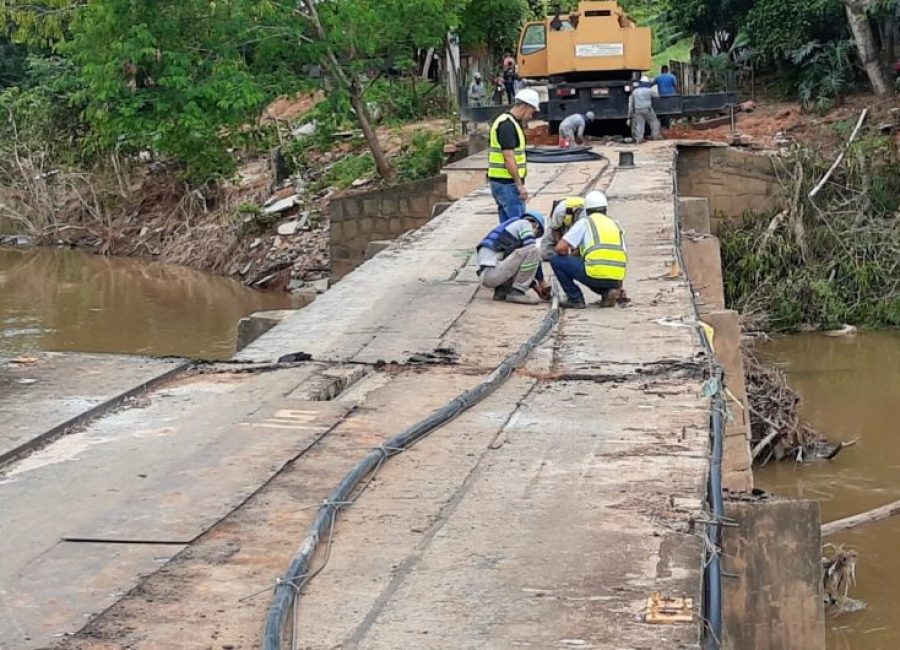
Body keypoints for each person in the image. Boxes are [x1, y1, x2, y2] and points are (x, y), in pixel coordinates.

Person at [549, 190, 627, 309]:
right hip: (616, 279)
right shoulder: (616, 224)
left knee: (556, 261)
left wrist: (570, 257)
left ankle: (575, 299)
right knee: (596, 271)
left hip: (594, 274)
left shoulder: (585, 222)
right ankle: (607, 292)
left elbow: (560, 248)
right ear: (605, 208)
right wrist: (619, 285)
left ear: (587, 209)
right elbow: (622, 255)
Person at [487, 87, 540, 223]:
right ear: (525, 106)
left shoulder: (508, 122)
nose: (531, 115)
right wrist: (519, 185)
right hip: (507, 184)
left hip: (501, 183)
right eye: (532, 110)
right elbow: (508, 157)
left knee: (507, 227)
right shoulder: (507, 125)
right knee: (517, 226)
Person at [476, 209, 547, 305]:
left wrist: (535, 286)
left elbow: (517, 264)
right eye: (537, 234)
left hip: (487, 275)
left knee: (522, 254)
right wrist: (542, 281)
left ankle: (502, 290)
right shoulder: (525, 224)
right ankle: (517, 292)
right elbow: (531, 249)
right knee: (534, 250)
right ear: (536, 225)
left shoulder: (512, 227)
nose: (534, 236)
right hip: (492, 274)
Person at [541, 196, 586, 260]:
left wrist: (577, 250)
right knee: (545, 254)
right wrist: (561, 247)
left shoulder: (584, 216)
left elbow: (583, 236)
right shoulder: (559, 211)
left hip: (581, 230)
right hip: (562, 224)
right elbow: (555, 229)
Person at [628, 75, 661, 144]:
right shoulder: (648, 90)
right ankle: (655, 136)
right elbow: (657, 95)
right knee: (653, 121)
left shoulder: (635, 91)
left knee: (640, 124)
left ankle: (639, 139)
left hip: (637, 110)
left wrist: (630, 114)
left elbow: (632, 103)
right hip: (647, 109)